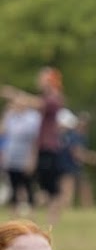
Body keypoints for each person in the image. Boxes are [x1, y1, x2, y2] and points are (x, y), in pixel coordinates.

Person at [1, 69, 66, 219]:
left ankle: (52, 217)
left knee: (49, 184)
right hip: (42, 146)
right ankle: (47, 215)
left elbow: (35, 103)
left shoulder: (54, 98)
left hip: (49, 147)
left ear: (50, 81)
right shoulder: (46, 97)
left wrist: (14, 94)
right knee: (42, 182)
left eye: (41, 79)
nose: (38, 81)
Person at [1, 100, 40, 215]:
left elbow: (34, 141)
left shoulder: (32, 119)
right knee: (13, 184)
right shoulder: (10, 117)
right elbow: (2, 132)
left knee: (27, 183)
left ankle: (31, 211)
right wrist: (6, 113)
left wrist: (32, 159)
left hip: (25, 155)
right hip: (11, 155)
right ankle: (14, 211)